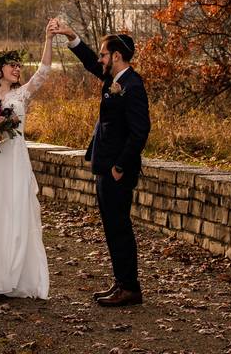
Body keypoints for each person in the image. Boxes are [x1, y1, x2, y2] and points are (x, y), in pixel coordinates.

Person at [50, 21, 151, 307]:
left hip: (118, 171)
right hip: (105, 166)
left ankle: (130, 288)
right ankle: (122, 282)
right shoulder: (112, 79)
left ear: (117, 56)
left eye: (105, 54)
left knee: (119, 227)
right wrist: (72, 37)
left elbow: (140, 130)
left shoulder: (132, 85)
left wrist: (119, 167)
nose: (101, 59)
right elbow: (89, 63)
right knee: (111, 226)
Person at [0, 21, 58, 299]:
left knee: (18, 212)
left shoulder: (22, 95)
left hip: (17, 162)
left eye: (20, 66)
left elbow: (43, 72)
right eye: (13, 65)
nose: (18, 69)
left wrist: (48, 38)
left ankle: (19, 277)